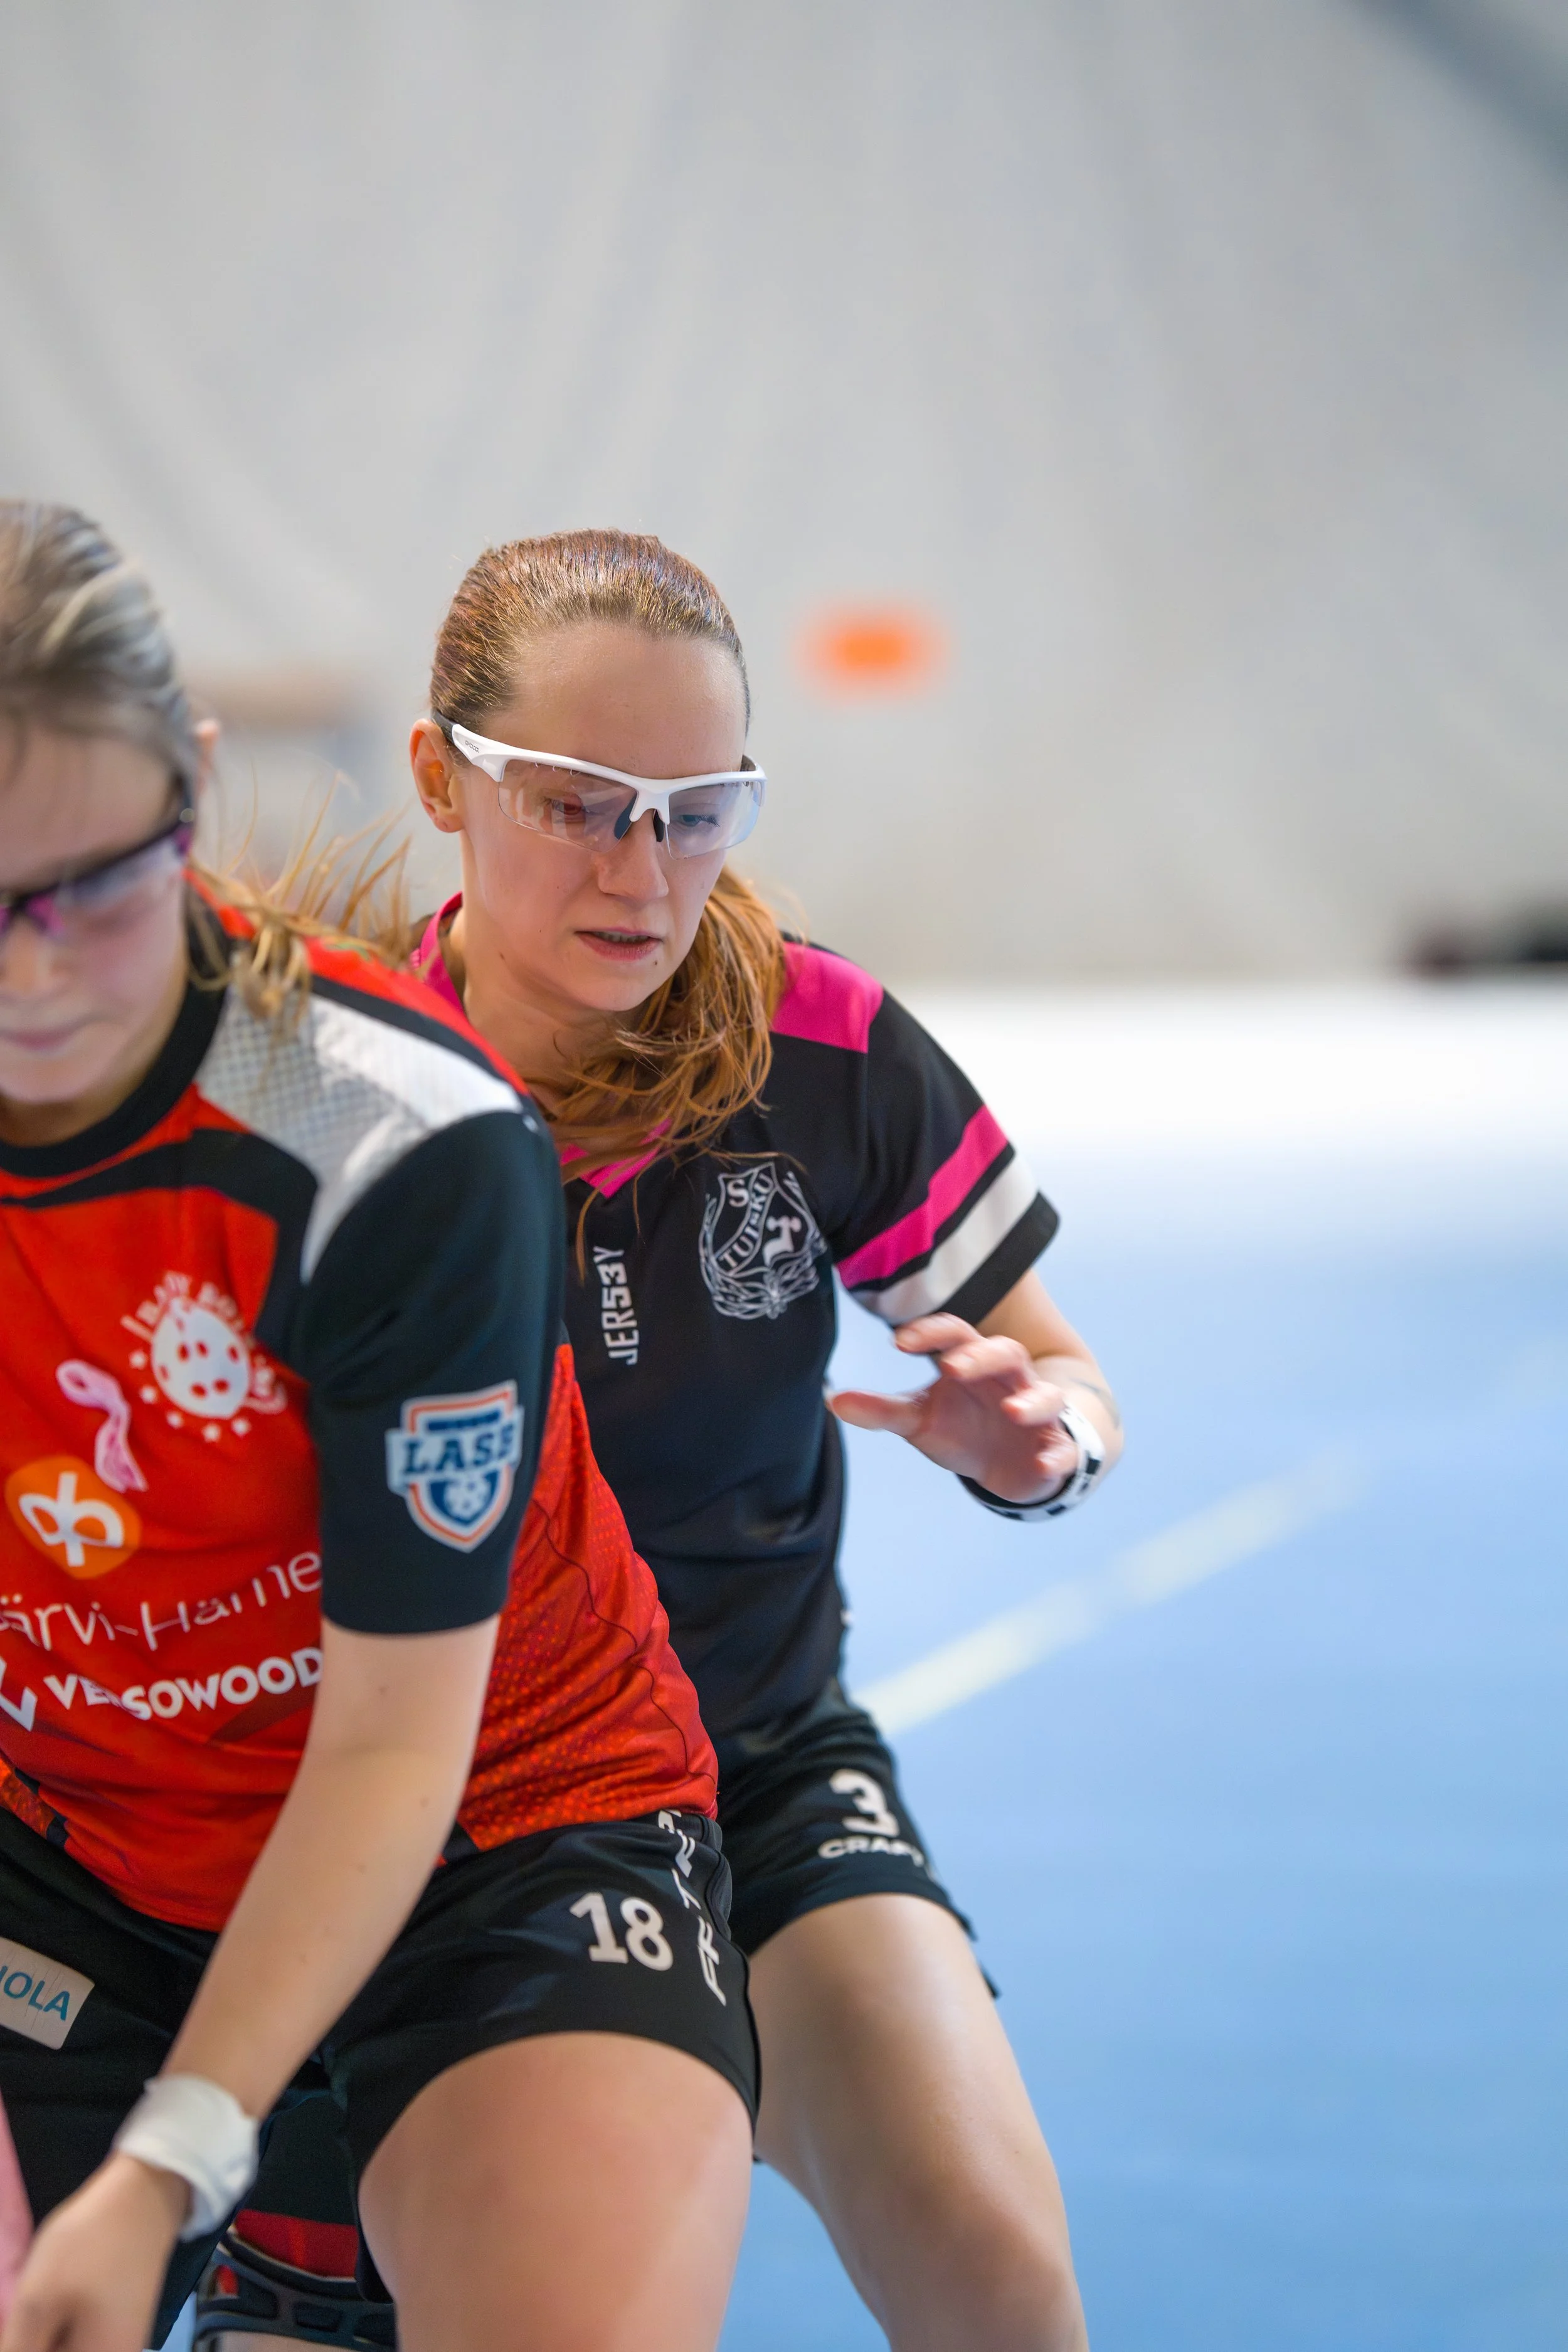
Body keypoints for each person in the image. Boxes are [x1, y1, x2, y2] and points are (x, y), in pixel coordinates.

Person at [204, 527, 1122, 2352]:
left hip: (759, 1758)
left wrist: (1035, 1445)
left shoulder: (824, 1043)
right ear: (438, 782)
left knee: (996, 2270)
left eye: (699, 808)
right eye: (578, 801)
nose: (644, 868)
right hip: (405, 1816)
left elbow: (1061, 1374)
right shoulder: (306, 1081)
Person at [0, 504, 758, 2352]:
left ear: (193, 784)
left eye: (94, 886)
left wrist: (181, 2147)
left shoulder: (389, 1136)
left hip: (501, 1826)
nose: (33, 977)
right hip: (77, 1843)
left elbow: (386, 1752)